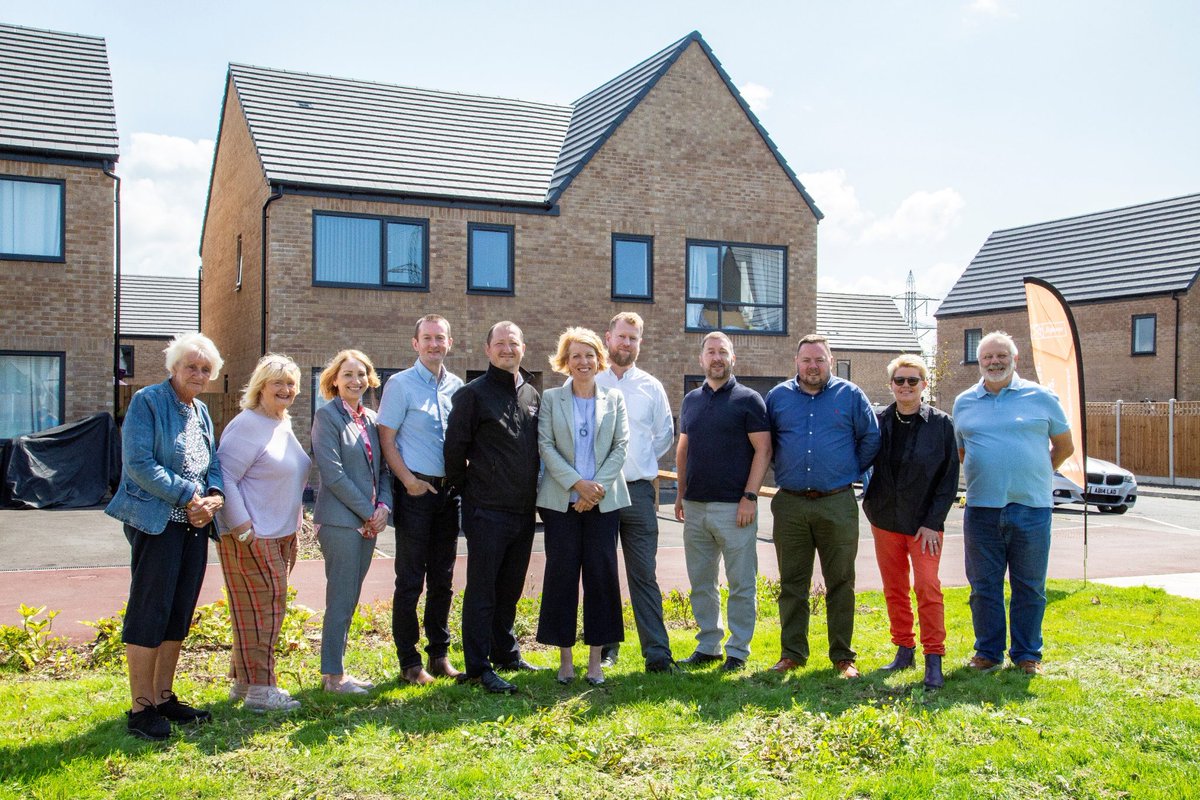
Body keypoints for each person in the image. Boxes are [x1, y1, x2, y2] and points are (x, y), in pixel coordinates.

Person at [106, 332, 225, 740]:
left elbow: (214, 464)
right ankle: (141, 708)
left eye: (206, 369)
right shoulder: (148, 402)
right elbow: (138, 462)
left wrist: (213, 496)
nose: (198, 373)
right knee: (149, 610)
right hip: (156, 521)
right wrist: (188, 495)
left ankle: (163, 697)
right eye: (191, 365)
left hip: (193, 525)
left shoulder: (202, 412)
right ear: (173, 366)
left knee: (178, 611)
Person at [953, 331, 1074, 676]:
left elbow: (1065, 447)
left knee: (1030, 586)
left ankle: (1026, 654)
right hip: (981, 509)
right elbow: (963, 451)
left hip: (1032, 509)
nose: (994, 362)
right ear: (980, 362)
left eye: (1001, 356)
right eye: (987, 357)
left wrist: (1037, 473)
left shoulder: (1042, 397)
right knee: (983, 587)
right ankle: (988, 653)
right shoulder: (964, 402)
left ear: (1014, 359)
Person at [766, 334, 880, 679]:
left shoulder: (851, 396)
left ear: (830, 360)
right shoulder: (778, 398)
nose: (812, 366)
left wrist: (849, 470)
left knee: (841, 581)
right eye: (806, 360)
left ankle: (843, 657)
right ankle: (792, 654)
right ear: (796, 362)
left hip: (837, 502)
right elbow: (765, 443)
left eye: (819, 360)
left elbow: (871, 438)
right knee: (792, 583)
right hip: (790, 504)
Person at [444, 321, 544, 694]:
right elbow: (454, 450)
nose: (507, 349)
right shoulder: (473, 395)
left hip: (522, 511)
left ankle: (506, 652)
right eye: (499, 344)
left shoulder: (533, 395)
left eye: (513, 343)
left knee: (510, 587)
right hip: (486, 510)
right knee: (483, 589)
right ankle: (478, 666)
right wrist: (469, 489)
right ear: (487, 350)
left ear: (523, 347)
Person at [216, 354, 312, 712]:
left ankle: (244, 684)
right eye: (278, 383)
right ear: (261, 387)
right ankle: (262, 690)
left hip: (281, 532)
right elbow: (224, 476)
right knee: (265, 612)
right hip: (252, 535)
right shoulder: (248, 424)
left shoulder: (280, 422)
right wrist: (242, 527)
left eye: (291, 384)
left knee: (253, 610)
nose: (286, 390)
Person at [536, 327, 631, 686]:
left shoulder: (614, 398)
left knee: (601, 577)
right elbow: (546, 446)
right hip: (561, 503)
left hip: (603, 505)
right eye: (575, 355)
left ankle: (595, 661)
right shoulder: (550, 399)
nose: (583, 362)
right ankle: (565, 660)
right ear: (565, 361)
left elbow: (621, 446)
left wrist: (594, 491)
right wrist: (577, 485)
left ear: (599, 359)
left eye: (589, 355)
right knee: (561, 576)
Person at [674, 332, 772, 673]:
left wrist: (750, 496)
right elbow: (683, 449)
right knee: (702, 582)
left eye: (723, 352)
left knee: (741, 583)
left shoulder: (749, 400)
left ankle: (738, 651)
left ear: (732, 358)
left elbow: (763, 449)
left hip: (735, 509)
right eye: (711, 352)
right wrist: (681, 492)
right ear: (701, 359)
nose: (717, 357)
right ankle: (708, 646)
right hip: (696, 507)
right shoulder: (691, 401)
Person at [861, 354, 958, 689]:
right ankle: (904, 648)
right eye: (899, 380)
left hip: (924, 525)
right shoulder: (878, 421)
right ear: (891, 385)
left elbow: (949, 479)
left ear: (924, 384)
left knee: (927, 587)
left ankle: (934, 657)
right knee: (895, 588)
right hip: (885, 519)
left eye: (912, 380)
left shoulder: (942, 424)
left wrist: (934, 521)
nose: (905, 386)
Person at [378, 315, 465, 685]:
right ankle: (409, 662)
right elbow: (386, 438)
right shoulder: (400, 385)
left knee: (443, 580)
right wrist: (408, 481)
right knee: (410, 579)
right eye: (427, 338)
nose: (433, 344)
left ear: (449, 343)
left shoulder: (458, 387)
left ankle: (439, 656)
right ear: (415, 344)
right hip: (416, 492)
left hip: (449, 493)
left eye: (439, 338)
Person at [594, 312, 677, 673]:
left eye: (634, 338)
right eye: (622, 336)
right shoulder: (589, 380)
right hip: (598, 493)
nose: (626, 344)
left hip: (640, 493)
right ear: (608, 337)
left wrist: (637, 460)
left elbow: (663, 436)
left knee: (643, 574)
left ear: (640, 343)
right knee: (602, 573)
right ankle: (607, 650)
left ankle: (657, 653)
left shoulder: (651, 386)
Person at [311, 349, 392, 694]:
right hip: (342, 523)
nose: (355, 380)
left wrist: (384, 506)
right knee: (340, 598)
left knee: (350, 596)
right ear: (334, 380)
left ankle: (338, 670)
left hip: (369, 523)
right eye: (347, 374)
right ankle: (332, 677)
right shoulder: (326, 418)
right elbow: (332, 474)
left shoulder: (371, 419)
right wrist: (367, 512)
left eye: (361, 374)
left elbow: (384, 470)